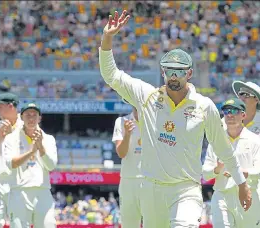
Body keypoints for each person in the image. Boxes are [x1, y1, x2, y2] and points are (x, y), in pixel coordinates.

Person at [98, 10, 252, 228]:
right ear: (162, 72)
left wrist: (241, 183)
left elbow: (223, 148)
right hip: (151, 189)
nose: (173, 76)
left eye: (179, 72)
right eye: (169, 71)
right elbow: (111, 75)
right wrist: (107, 38)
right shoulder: (147, 96)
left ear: (189, 74)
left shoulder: (204, 106)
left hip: (186, 189)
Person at [203, 98, 260, 228]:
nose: (230, 114)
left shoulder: (255, 140)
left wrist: (241, 174)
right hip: (222, 195)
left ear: (243, 115)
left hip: (249, 194)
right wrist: (217, 169)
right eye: (226, 111)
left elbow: (258, 170)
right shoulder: (216, 142)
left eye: (234, 111)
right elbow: (205, 174)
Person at [1, 103, 57, 228]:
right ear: (21, 117)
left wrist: (41, 147)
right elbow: (11, 164)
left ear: (39, 118)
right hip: (19, 191)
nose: (31, 119)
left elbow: (51, 166)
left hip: (42, 191)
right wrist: (31, 151)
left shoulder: (49, 139)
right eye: (27, 115)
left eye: (34, 115)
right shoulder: (10, 139)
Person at [0, 93, 23, 228]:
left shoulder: (25, 126)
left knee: (18, 222)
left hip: (19, 181)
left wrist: (10, 136)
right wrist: (0, 138)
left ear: (11, 106)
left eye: (0, 106)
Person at [112, 100, 143, 228]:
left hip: (151, 181)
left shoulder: (156, 123)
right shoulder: (121, 122)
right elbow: (121, 153)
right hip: (128, 181)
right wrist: (128, 135)